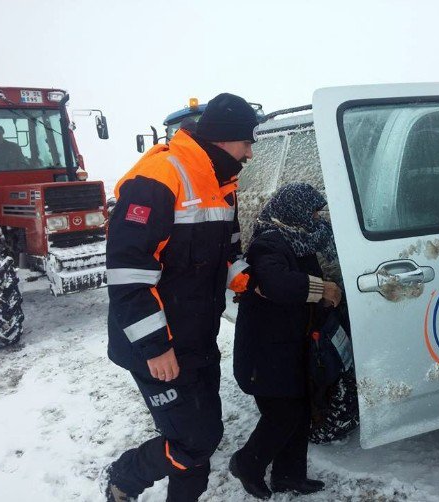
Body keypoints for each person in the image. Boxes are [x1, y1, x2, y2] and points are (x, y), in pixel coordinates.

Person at [103, 93, 259, 502]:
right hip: (155, 347)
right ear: (226, 139)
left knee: (201, 437)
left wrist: (251, 285)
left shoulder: (224, 185)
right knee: (194, 440)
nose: (251, 153)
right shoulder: (158, 177)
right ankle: (125, 476)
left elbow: (228, 251)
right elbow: (128, 275)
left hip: (196, 338)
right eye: (248, 142)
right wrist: (156, 347)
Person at [231, 183, 342, 499]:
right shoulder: (268, 245)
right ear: (294, 213)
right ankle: (247, 463)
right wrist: (320, 289)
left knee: (301, 409)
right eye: (313, 213)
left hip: (290, 347)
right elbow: (276, 283)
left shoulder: (300, 241)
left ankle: (289, 475)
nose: (318, 219)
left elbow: (298, 291)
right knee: (283, 414)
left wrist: (321, 300)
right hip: (264, 354)